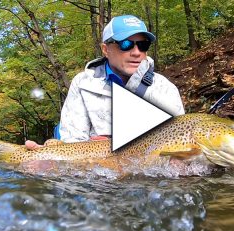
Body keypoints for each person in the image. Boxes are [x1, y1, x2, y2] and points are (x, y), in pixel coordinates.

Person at [26, 14, 184, 149]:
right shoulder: (82, 83)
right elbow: (72, 145)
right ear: (105, 49)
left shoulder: (165, 88)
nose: (136, 52)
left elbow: (178, 145)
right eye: (126, 44)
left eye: (143, 45)